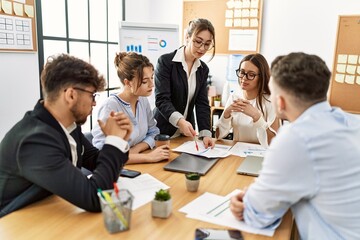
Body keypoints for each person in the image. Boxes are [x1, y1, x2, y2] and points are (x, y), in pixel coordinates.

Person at [230, 52, 360, 239]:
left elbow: (258, 216)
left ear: (280, 102)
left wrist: (247, 200)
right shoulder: (351, 122)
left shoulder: (295, 138)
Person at [0, 54, 132, 217]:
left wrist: (120, 142)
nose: (94, 102)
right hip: (15, 224)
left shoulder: (67, 125)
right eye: (92, 95)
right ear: (70, 95)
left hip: (48, 211)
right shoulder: (35, 141)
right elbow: (96, 198)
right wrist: (113, 141)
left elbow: (97, 161)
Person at [92, 52, 170, 164]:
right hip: (115, 170)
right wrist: (148, 157)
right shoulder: (111, 106)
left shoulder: (142, 100)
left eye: (152, 78)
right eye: (144, 81)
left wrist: (136, 149)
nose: (152, 84)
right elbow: (103, 153)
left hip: (135, 163)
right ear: (127, 83)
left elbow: (154, 132)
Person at [153, 18, 215, 148]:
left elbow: (202, 103)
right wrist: (180, 121)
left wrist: (206, 133)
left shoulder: (203, 69)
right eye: (198, 42)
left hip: (185, 135)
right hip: (162, 133)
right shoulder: (166, 62)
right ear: (187, 37)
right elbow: (162, 100)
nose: (202, 48)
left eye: (207, 44)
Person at [215, 54, 279, 147]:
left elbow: (272, 142)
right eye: (242, 72)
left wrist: (256, 116)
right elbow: (218, 136)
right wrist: (226, 114)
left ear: (261, 77)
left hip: (260, 155)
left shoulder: (270, 101)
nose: (244, 78)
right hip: (238, 153)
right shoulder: (234, 97)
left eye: (251, 75)